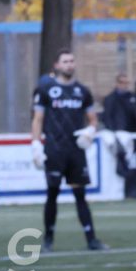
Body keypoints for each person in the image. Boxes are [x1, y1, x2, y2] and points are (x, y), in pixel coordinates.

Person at [31, 49, 108, 252]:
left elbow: (93, 120)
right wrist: (36, 143)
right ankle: (48, 240)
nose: (69, 64)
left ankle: (92, 239)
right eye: (65, 61)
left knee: (80, 194)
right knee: (52, 193)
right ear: (57, 65)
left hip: (75, 152)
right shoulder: (45, 90)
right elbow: (38, 119)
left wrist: (90, 131)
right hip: (54, 150)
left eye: (72, 61)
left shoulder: (82, 91)